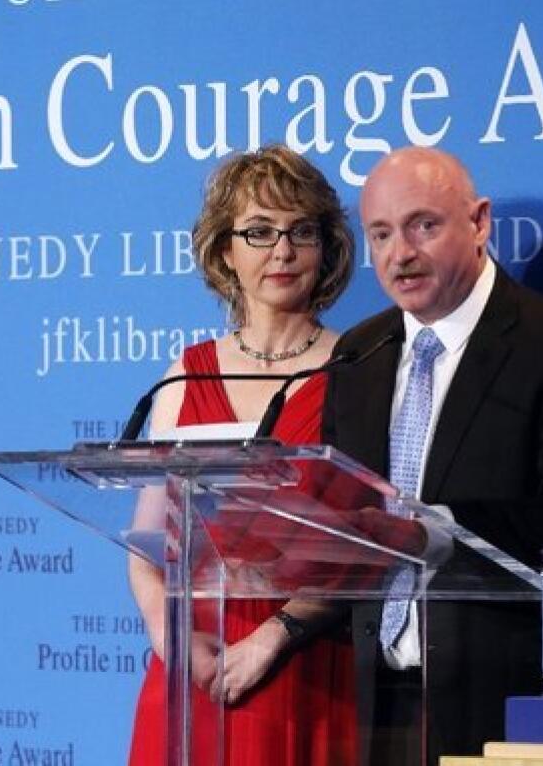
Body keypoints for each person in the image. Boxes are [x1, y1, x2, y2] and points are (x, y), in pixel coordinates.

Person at [321, 147, 543, 763]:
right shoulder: (358, 355)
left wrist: (428, 530)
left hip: (500, 707)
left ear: (480, 222)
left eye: (424, 226)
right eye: (380, 233)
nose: (400, 254)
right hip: (369, 706)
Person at [127, 145, 359, 766]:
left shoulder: (359, 370)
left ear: (326, 247)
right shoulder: (186, 376)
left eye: (300, 231)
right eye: (258, 232)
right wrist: (168, 632)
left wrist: (271, 640)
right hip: (191, 661)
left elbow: (372, 549)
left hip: (302, 663)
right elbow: (147, 542)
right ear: (224, 250)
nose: (281, 251)